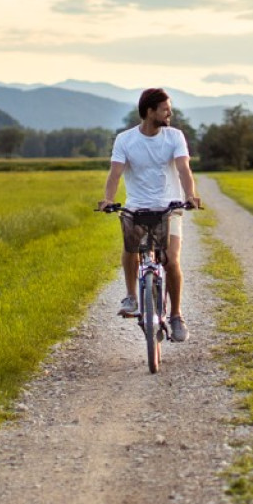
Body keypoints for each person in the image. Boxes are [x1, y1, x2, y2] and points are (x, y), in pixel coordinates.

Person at [100, 88, 203, 341]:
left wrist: (190, 195)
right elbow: (115, 173)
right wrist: (108, 200)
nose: (170, 113)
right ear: (150, 111)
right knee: (131, 246)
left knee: (171, 260)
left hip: (170, 207)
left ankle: (177, 315)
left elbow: (183, 169)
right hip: (137, 205)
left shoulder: (174, 136)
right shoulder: (125, 140)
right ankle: (132, 297)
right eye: (166, 109)